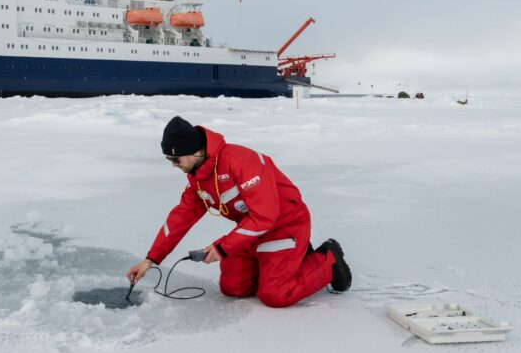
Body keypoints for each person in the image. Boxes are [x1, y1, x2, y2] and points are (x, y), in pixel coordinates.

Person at [126, 116, 352, 307]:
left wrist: (223, 247)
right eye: (169, 159)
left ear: (194, 151)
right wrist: (150, 260)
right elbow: (179, 219)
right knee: (233, 288)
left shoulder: (241, 162)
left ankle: (328, 259)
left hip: (285, 226)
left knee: (275, 295)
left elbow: (265, 216)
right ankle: (285, 262)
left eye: (175, 159)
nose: (173, 165)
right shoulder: (198, 177)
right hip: (249, 231)